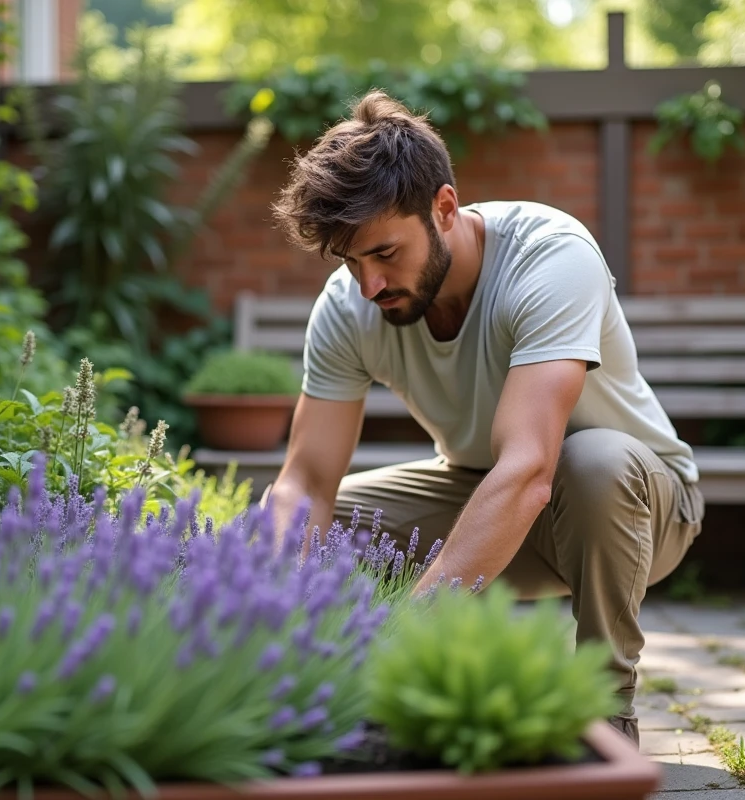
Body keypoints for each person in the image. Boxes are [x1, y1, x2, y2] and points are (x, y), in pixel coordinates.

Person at [260, 89, 705, 748]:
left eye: (384, 254)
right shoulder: (349, 307)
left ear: (444, 208)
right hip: (488, 493)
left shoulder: (550, 257)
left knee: (593, 462)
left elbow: (530, 470)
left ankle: (606, 714)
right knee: (330, 524)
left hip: (637, 509)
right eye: (350, 262)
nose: (368, 286)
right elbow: (306, 480)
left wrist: (414, 629)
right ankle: (349, 704)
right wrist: (274, 604)